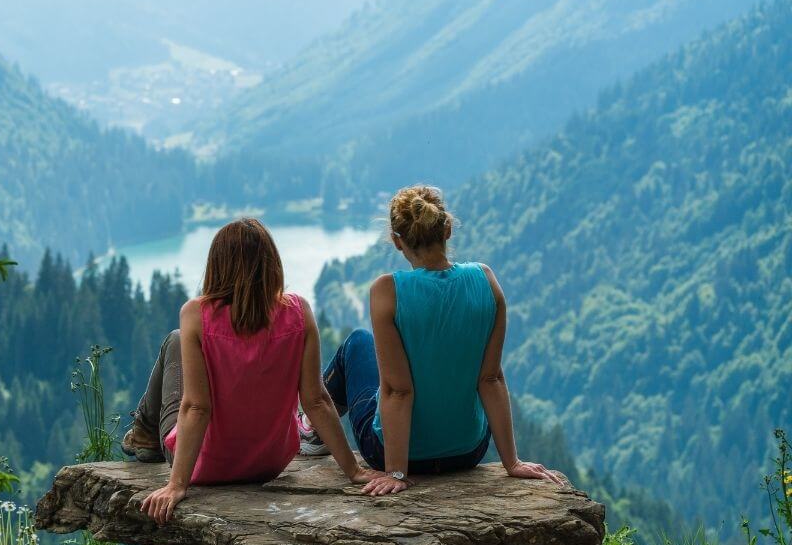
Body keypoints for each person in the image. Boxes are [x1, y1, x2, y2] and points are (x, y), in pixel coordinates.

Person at [299, 185, 563, 496]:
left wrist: (396, 472)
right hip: (467, 452)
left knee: (358, 342)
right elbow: (490, 379)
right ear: (447, 229)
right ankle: (312, 429)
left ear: (398, 242)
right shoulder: (486, 280)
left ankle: (312, 431)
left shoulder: (387, 291)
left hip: (397, 455)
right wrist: (512, 463)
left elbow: (399, 390)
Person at [122, 218, 379, 524]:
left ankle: (143, 434)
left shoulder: (196, 314)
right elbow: (317, 401)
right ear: (271, 265)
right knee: (179, 341)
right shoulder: (299, 312)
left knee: (175, 340)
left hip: (207, 467)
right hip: (269, 464)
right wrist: (354, 470)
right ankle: (142, 434)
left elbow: (196, 407)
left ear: (217, 265)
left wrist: (177, 484)